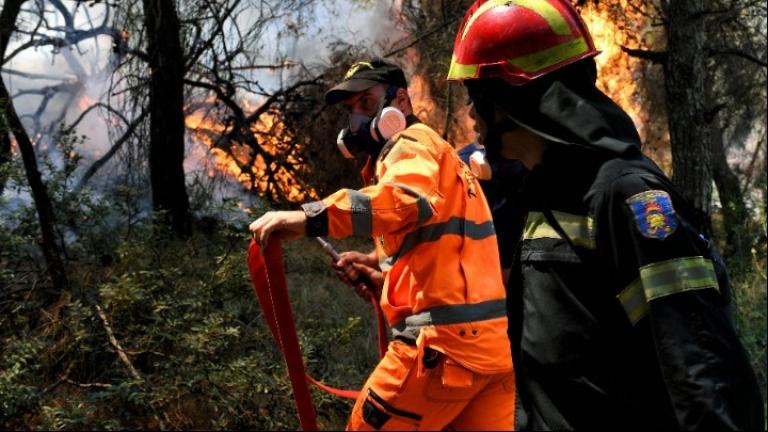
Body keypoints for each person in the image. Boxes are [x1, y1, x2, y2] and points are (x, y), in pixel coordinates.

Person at [446, 1, 764, 430]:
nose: (469, 114)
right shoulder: (544, 193)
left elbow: (699, 366)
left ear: (514, 100)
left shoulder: (626, 195)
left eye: (477, 98)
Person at [249, 58, 516, 430]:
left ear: (401, 102)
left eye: (366, 104)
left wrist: (307, 219)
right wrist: (379, 270)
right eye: (350, 110)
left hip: (442, 351)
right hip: (490, 353)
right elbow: (440, 249)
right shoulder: (440, 154)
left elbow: (405, 199)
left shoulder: (408, 143)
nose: (356, 120)